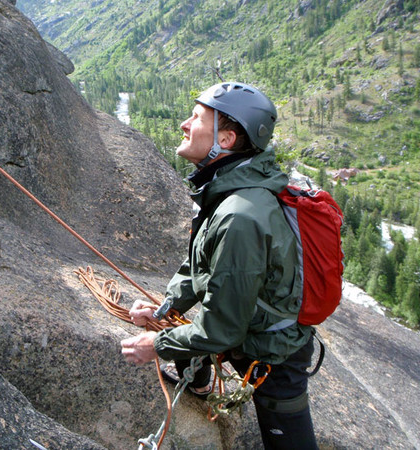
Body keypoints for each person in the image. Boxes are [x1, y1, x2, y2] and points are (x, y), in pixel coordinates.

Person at [121, 82, 318, 449]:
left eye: (196, 118)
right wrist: (166, 308)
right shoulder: (227, 190)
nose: (184, 124)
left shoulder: (239, 215)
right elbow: (200, 266)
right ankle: (197, 381)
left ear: (225, 140)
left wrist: (157, 343)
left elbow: (222, 328)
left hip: (274, 356)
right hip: (246, 330)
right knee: (185, 332)